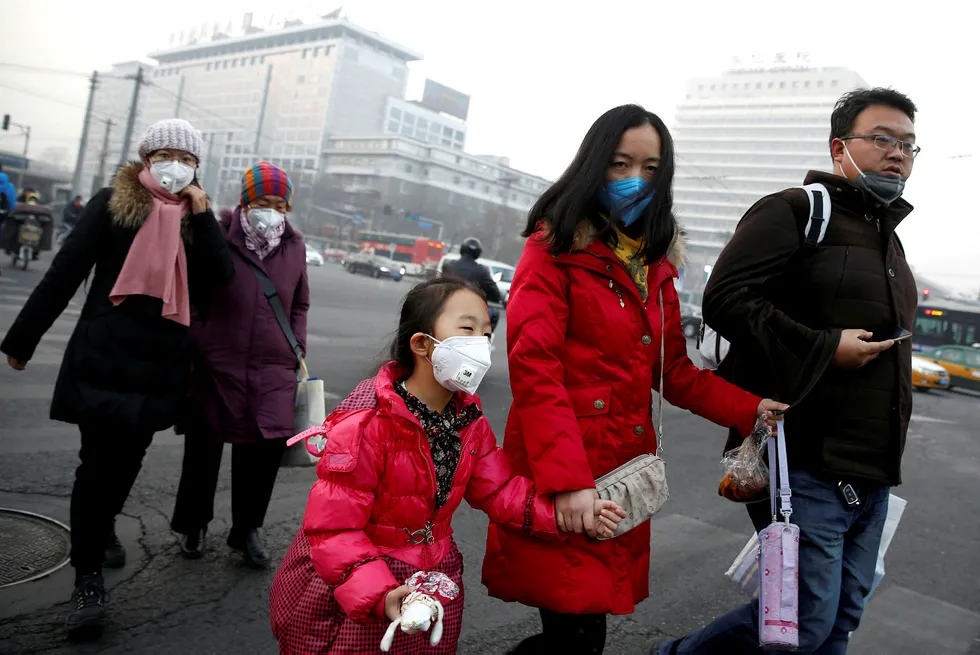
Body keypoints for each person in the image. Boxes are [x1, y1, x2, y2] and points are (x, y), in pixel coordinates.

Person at [479, 104, 786, 655]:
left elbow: (674, 371)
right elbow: (535, 369)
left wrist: (751, 408)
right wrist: (567, 481)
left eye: (649, 168)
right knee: (576, 629)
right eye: (621, 164)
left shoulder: (655, 264)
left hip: (623, 472)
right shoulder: (554, 249)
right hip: (567, 470)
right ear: (594, 166)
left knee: (580, 625)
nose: (634, 180)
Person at [651, 88, 919, 655]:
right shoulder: (796, 210)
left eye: (909, 146)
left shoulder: (888, 242)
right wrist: (824, 348)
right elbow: (726, 297)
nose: (898, 154)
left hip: (871, 468)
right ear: (838, 147)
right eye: (883, 139)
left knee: (841, 618)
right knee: (801, 621)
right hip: (803, 457)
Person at [269, 277, 626, 654]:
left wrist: (563, 513)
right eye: (468, 330)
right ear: (423, 344)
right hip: (362, 587)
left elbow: (501, 490)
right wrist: (381, 594)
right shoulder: (366, 426)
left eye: (487, 333)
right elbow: (334, 531)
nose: (481, 346)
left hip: (432, 580)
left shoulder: (469, 422)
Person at [0, 118, 234, 642]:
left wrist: (204, 217)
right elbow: (66, 269)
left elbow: (222, 280)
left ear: (198, 168)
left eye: (187, 157)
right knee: (96, 464)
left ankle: (102, 526)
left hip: (161, 366)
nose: (176, 164)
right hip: (103, 355)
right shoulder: (114, 202)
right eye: (166, 153)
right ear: (146, 159)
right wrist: (22, 339)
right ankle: (87, 580)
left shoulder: (197, 220)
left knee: (129, 461)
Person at [171, 162, 309, 568]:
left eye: (279, 204)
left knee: (264, 451)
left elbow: (299, 302)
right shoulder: (217, 235)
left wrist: (296, 343)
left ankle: (246, 529)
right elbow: (192, 291)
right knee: (204, 445)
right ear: (245, 202)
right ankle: (193, 525)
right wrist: (201, 337)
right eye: (263, 202)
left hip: (274, 365)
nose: (272, 211)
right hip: (218, 361)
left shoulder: (295, 245)